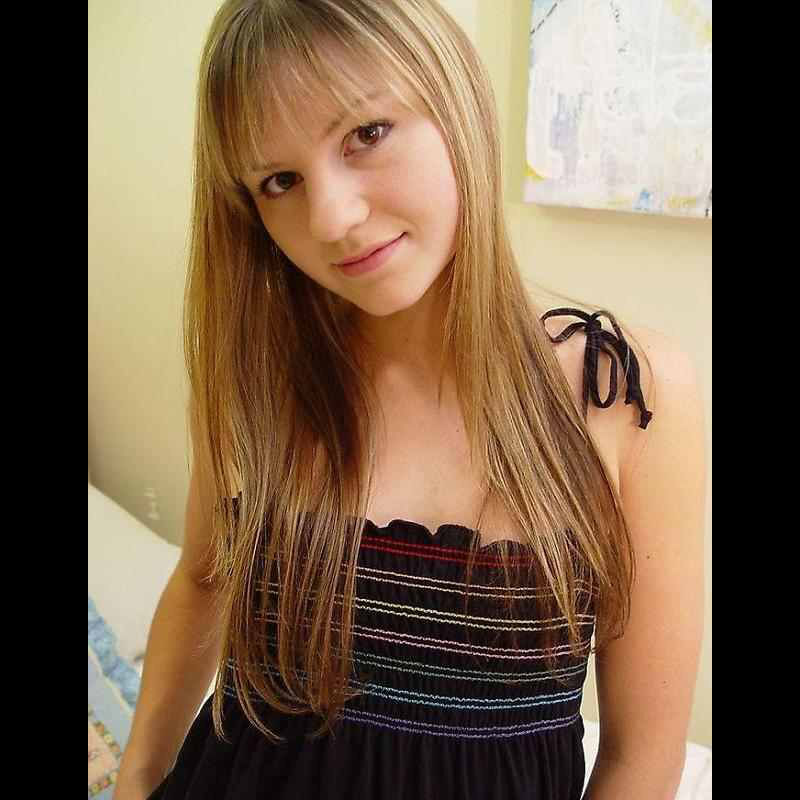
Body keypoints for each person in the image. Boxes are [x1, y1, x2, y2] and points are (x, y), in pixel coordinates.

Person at [113, 1, 706, 798]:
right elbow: (202, 577)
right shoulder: (257, 379)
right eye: (279, 181)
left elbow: (639, 760)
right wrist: (138, 776)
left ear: (455, 101)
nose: (332, 218)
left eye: (366, 134)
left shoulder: (626, 397)